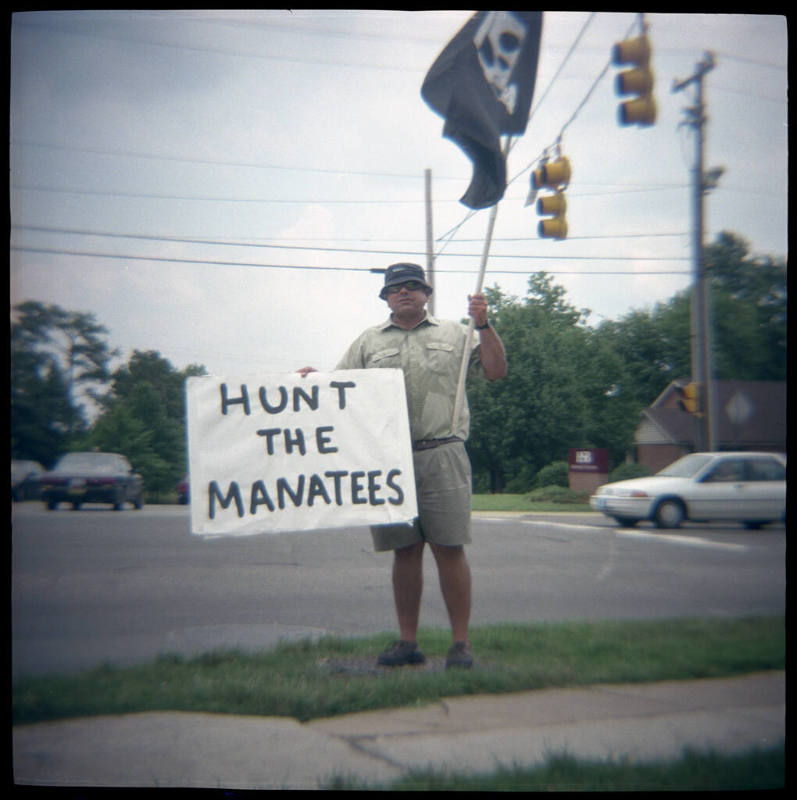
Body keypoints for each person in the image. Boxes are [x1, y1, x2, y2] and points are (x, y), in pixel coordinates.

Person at [298, 262, 507, 669]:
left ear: (426, 293)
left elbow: (496, 371)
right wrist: (310, 381)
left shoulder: (456, 333)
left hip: (443, 451)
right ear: (386, 297)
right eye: (396, 288)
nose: (405, 292)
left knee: (450, 549)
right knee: (405, 552)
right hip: (387, 459)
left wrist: (484, 324)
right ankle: (407, 642)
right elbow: (339, 388)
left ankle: (460, 644)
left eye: (413, 286)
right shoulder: (367, 342)